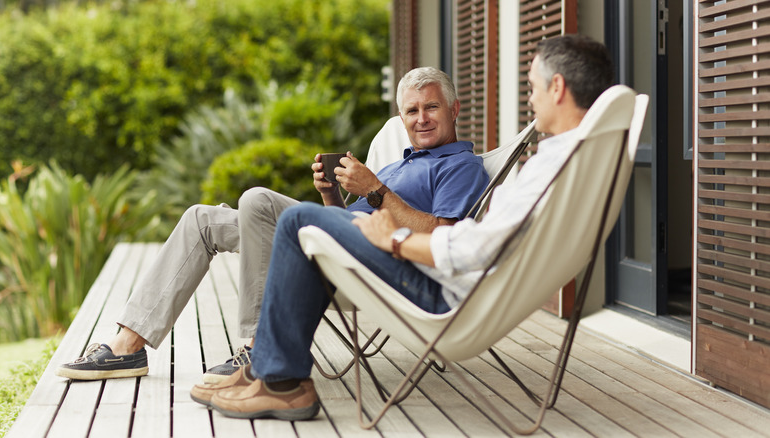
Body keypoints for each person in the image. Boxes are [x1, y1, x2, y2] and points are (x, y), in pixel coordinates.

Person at [195, 34, 614, 421]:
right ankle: (271, 368)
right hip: (434, 275)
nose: (530, 98)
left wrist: (394, 239)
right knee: (289, 216)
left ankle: (278, 378)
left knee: (296, 220)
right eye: (412, 111)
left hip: (439, 293)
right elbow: (484, 242)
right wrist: (344, 201)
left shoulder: (540, 171)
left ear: (557, 88)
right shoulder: (567, 165)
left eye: (533, 87)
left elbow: (472, 247)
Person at [56, 67, 490, 382]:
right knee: (201, 220)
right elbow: (356, 213)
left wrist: (375, 189)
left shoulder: (461, 166)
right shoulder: (402, 162)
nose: (421, 119)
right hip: (338, 241)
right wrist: (329, 195)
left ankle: (256, 347)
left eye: (431, 107)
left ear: (453, 109)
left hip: (380, 263)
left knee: (257, 200)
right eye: (411, 111)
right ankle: (128, 346)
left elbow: (442, 236)